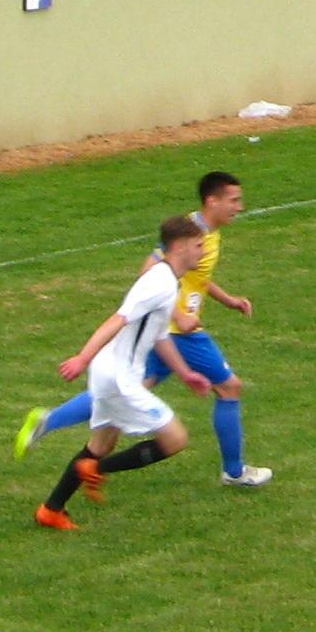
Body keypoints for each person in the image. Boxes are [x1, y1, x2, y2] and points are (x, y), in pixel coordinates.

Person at [21, 218, 220, 527]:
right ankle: (95, 469)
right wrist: (81, 357)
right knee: (175, 439)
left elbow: (159, 335)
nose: (203, 252)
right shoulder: (159, 283)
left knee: (100, 445)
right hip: (119, 377)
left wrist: (184, 373)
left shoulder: (171, 280)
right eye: (198, 246)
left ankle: (51, 510)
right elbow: (118, 319)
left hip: (112, 372)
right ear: (179, 247)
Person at [137, 171, 271, 487]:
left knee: (131, 388)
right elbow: (150, 268)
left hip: (166, 329)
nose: (240, 207)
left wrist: (228, 300)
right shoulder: (193, 232)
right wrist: (179, 314)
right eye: (234, 200)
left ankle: (52, 421)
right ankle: (235, 472)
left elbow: (197, 277)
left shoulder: (208, 230)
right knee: (230, 387)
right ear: (213, 201)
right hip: (180, 331)